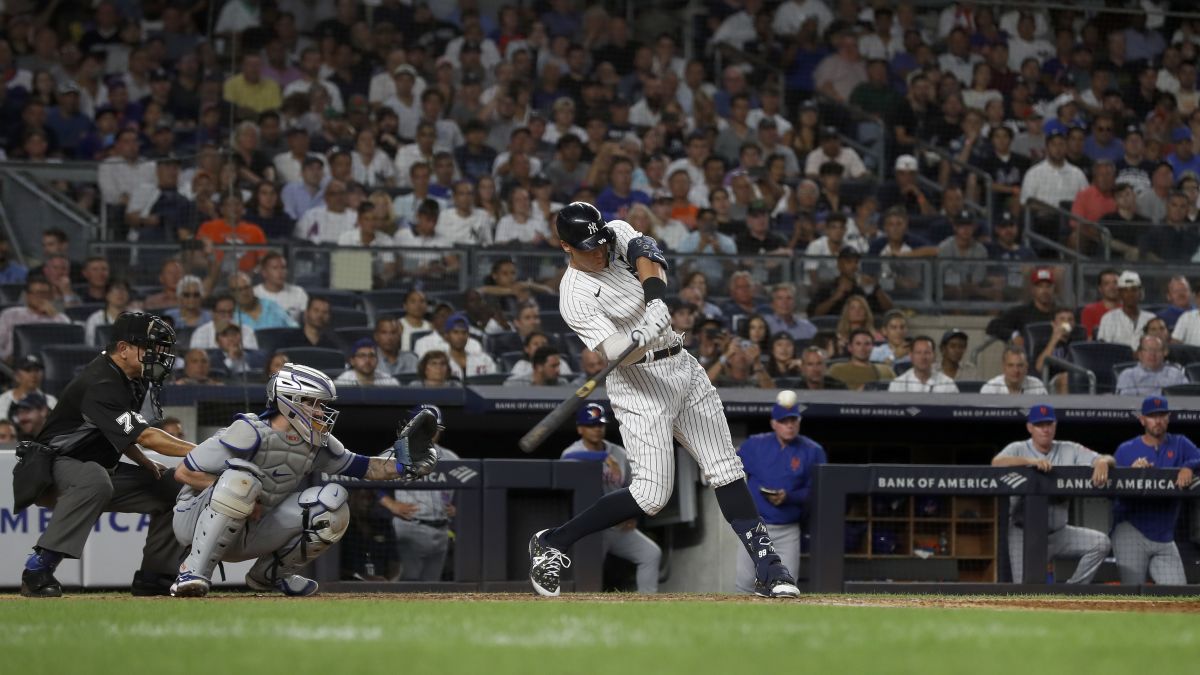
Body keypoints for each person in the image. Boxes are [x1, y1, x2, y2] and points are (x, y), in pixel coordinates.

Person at [528, 202, 801, 599]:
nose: (600, 250)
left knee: (726, 468)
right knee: (652, 496)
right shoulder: (574, 295)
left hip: (682, 367)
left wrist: (655, 302)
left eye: (600, 241)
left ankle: (769, 567)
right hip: (638, 385)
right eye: (588, 247)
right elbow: (614, 350)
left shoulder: (615, 232)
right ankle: (553, 541)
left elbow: (647, 254)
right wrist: (637, 337)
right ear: (565, 247)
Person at [168, 369, 440, 597]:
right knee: (241, 478)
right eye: (316, 403)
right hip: (193, 521)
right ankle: (192, 571)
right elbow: (184, 473)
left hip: (251, 530)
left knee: (332, 506)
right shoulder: (248, 430)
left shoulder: (317, 443)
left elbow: (366, 467)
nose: (322, 412)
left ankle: (269, 576)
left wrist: (404, 466)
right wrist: (246, 500)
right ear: (292, 400)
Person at [16, 312, 193, 598]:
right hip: (54, 468)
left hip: (96, 467)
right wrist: (205, 451)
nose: (158, 355)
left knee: (173, 486)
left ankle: (155, 574)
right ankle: (37, 569)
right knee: (95, 479)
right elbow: (147, 435)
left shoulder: (132, 377)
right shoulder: (100, 382)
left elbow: (117, 430)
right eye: (149, 347)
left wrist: (142, 460)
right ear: (123, 349)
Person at [992, 404, 1114, 584]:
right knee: (1025, 590)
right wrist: (1030, 462)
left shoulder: (1069, 449)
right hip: (1023, 535)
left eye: (1049, 424)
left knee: (1101, 543)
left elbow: (1107, 458)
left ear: (1055, 425)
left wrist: (1103, 461)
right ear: (1030, 427)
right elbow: (996, 463)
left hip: (1059, 534)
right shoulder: (1018, 448)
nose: (1045, 429)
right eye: (1040, 425)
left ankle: (1072, 590)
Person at [558, 403, 662, 594]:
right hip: (590, 526)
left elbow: (634, 487)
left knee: (651, 553)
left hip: (617, 524)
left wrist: (632, 515)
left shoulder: (620, 453)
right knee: (590, 569)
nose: (597, 429)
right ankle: (583, 603)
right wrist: (602, 457)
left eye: (600, 424)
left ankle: (648, 601)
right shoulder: (573, 452)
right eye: (591, 425)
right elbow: (564, 461)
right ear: (580, 428)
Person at [733, 400, 825, 594]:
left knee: (786, 587)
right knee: (744, 585)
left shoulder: (812, 450)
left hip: (788, 529)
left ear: (799, 422)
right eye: (784, 421)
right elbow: (732, 469)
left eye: (793, 420)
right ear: (774, 423)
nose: (789, 425)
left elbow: (819, 490)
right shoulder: (755, 445)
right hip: (755, 529)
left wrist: (789, 497)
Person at [1112, 396, 1199, 585]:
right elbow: (1114, 496)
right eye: (1152, 416)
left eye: (1162, 415)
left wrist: (1189, 466)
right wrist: (1131, 475)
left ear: (1168, 417)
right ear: (1142, 420)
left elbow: (1198, 457)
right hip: (1132, 531)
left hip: (1164, 537)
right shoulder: (1126, 450)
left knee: (1178, 597)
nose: (1157, 421)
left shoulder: (1180, 444)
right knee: (1133, 595)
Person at [380, 406, 460, 581]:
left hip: (442, 531)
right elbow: (370, 482)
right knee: (407, 581)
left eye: (434, 429)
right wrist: (390, 504)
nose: (430, 433)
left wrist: (457, 508)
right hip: (409, 527)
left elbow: (467, 489)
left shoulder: (452, 458)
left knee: (432, 586)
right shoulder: (394, 453)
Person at [0, 275, 71, 362]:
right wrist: (4, 358)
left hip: (51, 364)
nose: (41, 297)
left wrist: (53, 316)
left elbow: (68, 346)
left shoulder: (60, 318)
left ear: (51, 295)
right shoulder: (10, 315)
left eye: (45, 293)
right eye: (37, 293)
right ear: (27, 296)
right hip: (13, 365)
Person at [806, 247, 893, 317]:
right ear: (839, 265)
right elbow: (814, 314)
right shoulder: (828, 287)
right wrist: (836, 296)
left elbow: (890, 310)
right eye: (849, 262)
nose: (854, 266)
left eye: (856, 262)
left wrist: (875, 287)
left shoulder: (863, 289)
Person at [984, 267, 1058, 345]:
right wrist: (1014, 335)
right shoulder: (1021, 313)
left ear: (1054, 289)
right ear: (1032, 289)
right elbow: (993, 326)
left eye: (1048, 286)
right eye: (1040, 286)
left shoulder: (1061, 314)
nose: (1045, 291)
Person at [1097, 271, 1155, 350]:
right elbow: (1103, 349)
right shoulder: (1108, 318)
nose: (1130, 294)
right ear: (1120, 294)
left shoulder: (1151, 318)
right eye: (1125, 291)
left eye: (1134, 290)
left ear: (1140, 293)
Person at [1115, 335, 1186, 396]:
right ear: (1139, 354)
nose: (1152, 354)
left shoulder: (1175, 374)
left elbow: (1188, 398)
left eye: (1157, 350)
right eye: (1148, 350)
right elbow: (1126, 403)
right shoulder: (1128, 375)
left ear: (1164, 353)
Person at [830, 329, 895, 391]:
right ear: (850, 347)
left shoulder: (886, 370)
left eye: (867, 344)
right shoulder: (836, 370)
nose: (862, 348)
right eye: (858, 344)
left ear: (872, 347)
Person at [888, 336, 959, 393]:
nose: (923, 357)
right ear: (911, 356)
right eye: (918, 353)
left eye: (927, 353)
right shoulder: (897, 384)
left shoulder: (948, 384)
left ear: (934, 356)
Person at [229, 271, 296, 331]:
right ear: (232, 293)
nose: (244, 293)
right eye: (239, 290)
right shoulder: (233, 316)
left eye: (246, 287)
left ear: (252, 287)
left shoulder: (271, 306)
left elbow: (294, 328)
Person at [253, 252, 308, 322]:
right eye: (275, 268)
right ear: (264, 273)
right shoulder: (254, 294)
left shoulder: (298, 293)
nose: (281, 272)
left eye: (283, 267)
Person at [980, 347, 1048, 395]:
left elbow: (1046, 414)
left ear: (1026, 367)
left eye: (1020, 365)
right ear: (1004, 367)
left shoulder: (1037, 386)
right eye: (1010, 365)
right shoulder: (990, 388)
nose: (1016, 370)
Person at [335, 338, 400, 387]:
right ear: (352, 361)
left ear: (377, 360)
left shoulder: (390, 382)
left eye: (371, 356)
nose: (367, 360)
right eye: (362, 355)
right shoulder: (341, 383)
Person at [1079, 269, 1121, 339]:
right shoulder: (1089, 311)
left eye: (1115, 283)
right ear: (1100, 288)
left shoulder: (1128, 310)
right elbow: (1088, 340)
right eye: (1106, 284)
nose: (1112, 287)